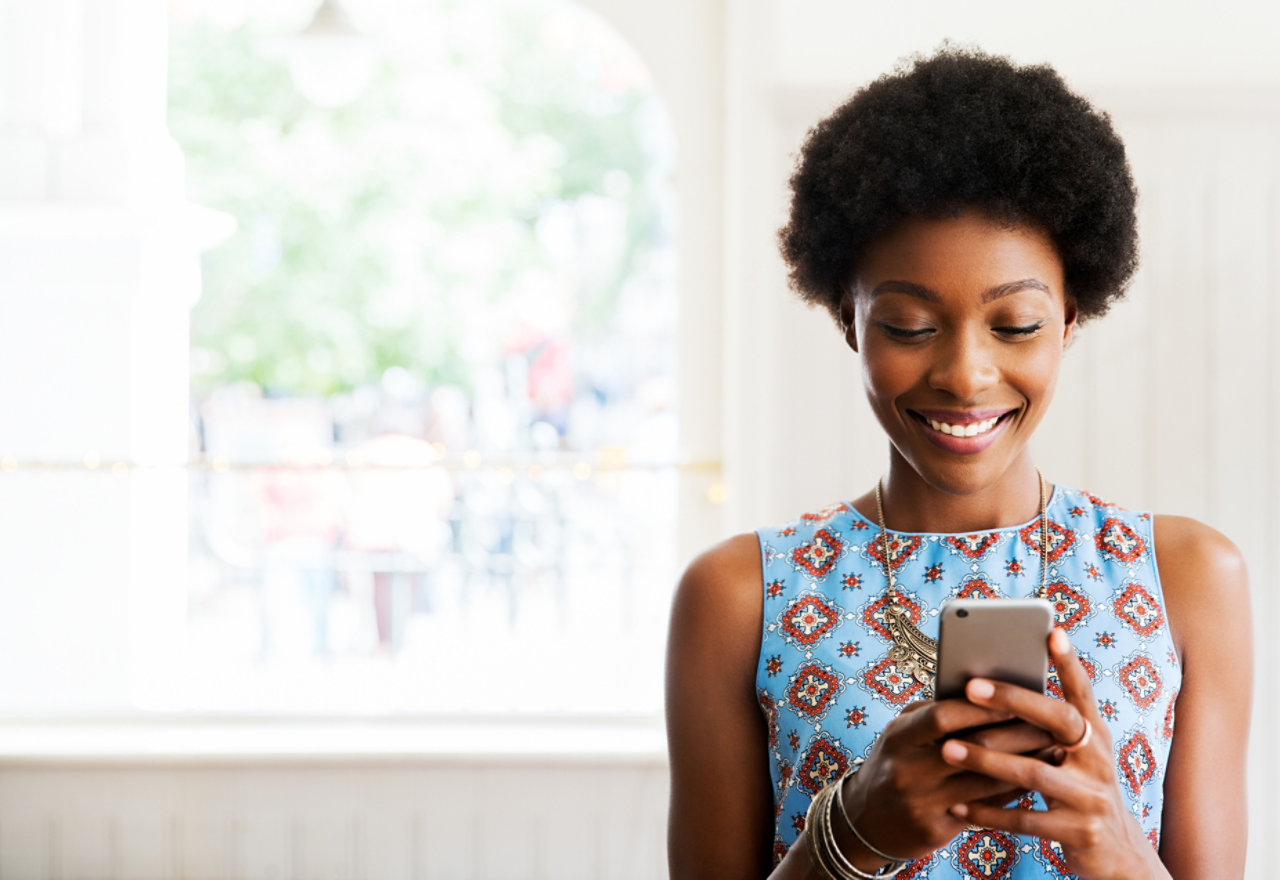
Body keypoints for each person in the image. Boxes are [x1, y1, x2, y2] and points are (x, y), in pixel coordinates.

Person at [665, 48, 1251, 880]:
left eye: (1014, 324)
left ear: (1072, 317)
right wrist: (852, 835)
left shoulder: (1187, 578)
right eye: (907, 325)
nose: (965, 375)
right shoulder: (738, 597)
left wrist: (1120, 853)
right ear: (848, 320)